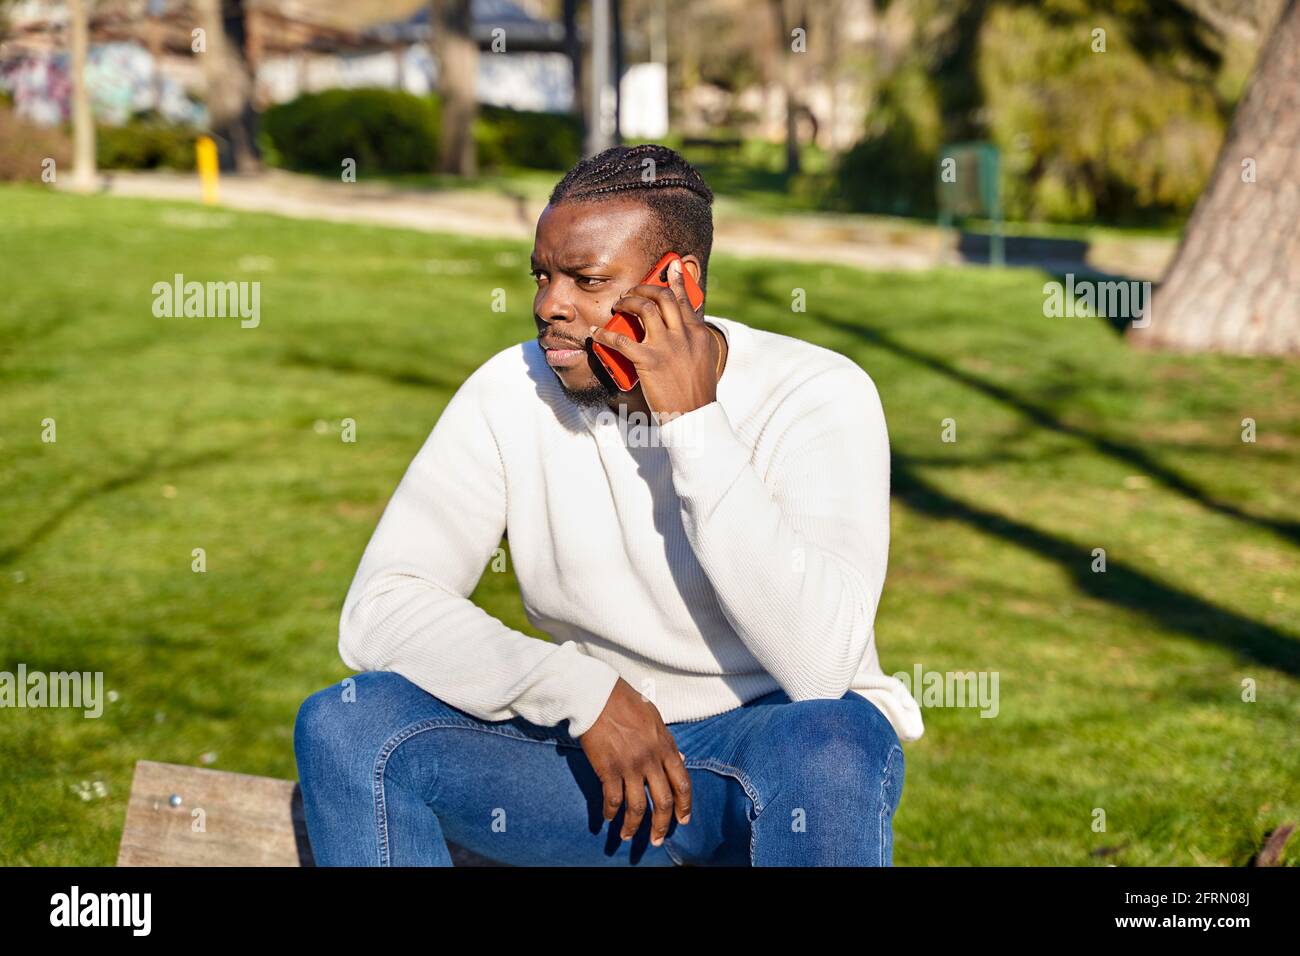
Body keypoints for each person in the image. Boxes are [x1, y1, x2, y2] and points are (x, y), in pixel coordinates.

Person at [294, 143, 924, 867]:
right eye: (542, 274)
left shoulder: (818, 394)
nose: (547, 306)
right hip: (598, 774)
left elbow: (819, 669)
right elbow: (382, 607)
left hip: (769, 764)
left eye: (586, 281)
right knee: (348, 726)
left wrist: (692, 423)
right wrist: (580, 690)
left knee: (838, 741)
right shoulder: (511, 391)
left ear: (678, 284)